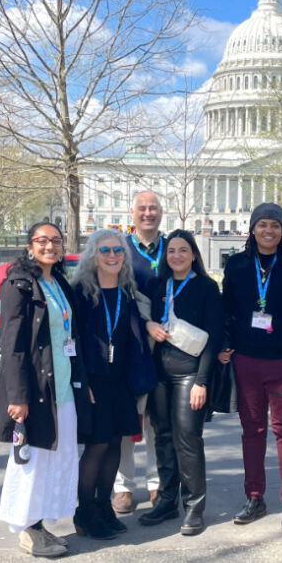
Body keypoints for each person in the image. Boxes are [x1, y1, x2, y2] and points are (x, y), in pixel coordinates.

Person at [0, 222, 91, 557]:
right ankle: (28, 532)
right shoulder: (18, 284)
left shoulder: (58, 282)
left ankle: (41, 526)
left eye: (56, 241)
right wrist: (18, 397)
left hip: (63, 387)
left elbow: (69, 336)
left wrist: (82, 383)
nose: (50, 246)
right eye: (42, 241)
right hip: (36, 389)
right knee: (32, 463)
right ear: (30, 245)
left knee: (56, 460)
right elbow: (13, 346)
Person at [220, 203, 282, 534]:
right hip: (247, 360)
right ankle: (255, 497)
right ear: (253, 228)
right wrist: (228, 343)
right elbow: (227, 308)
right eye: (262, 225)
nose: (269, 231)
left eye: (275, 225)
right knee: (253, 432)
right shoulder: (237, 264)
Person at [72, 229, 157, 539]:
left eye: (118, 251)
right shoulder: (81, 293)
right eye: (105, 250)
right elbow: (73, 341)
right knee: (96, 447)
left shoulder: (124, 293)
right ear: (93, 255)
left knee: (114, 447)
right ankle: (85, 512)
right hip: (93, 382)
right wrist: (82, 381)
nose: (112, 256)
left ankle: (104, 506)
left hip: (119, 383)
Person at [138, 229, 222, 535]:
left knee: (187, 438)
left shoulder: (207, 288)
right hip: (159, 374)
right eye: (171, 250)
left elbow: (214, 337)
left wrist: (202, 381)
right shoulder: (156, 284)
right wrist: (148, 324)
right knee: (162, 438)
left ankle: (194, 506)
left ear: (193, 254)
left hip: (190, 374)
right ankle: (167, 500)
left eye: (183, 250)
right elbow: (140, 318)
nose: (176, 256)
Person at [112, 190, 163, 514]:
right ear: (132, 212)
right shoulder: (120, 250)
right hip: (130, 344)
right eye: (142, 208)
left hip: (164, 345)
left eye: (153, 208)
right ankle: (123, 487)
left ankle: (156, 483)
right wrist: (142, 324)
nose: (148, 213)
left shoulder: (172, 247)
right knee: (126, 420)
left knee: (157, 422)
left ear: (161, 213)